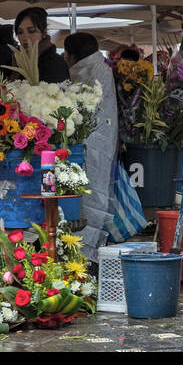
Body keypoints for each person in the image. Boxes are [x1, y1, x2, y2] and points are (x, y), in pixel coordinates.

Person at [63, 32, 119, 261]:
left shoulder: (85, 73)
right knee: (96, 194)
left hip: (90, 146)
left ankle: (86, 256)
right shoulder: (102, 68)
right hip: (103, 144)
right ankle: (90, 254)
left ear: (71, 55)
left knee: (87, 198)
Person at [14, 6, 70, 84]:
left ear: (44, 32)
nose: (25, 37)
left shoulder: (54, 64)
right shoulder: (14, 60)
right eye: (20, 32)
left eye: (31, 31)